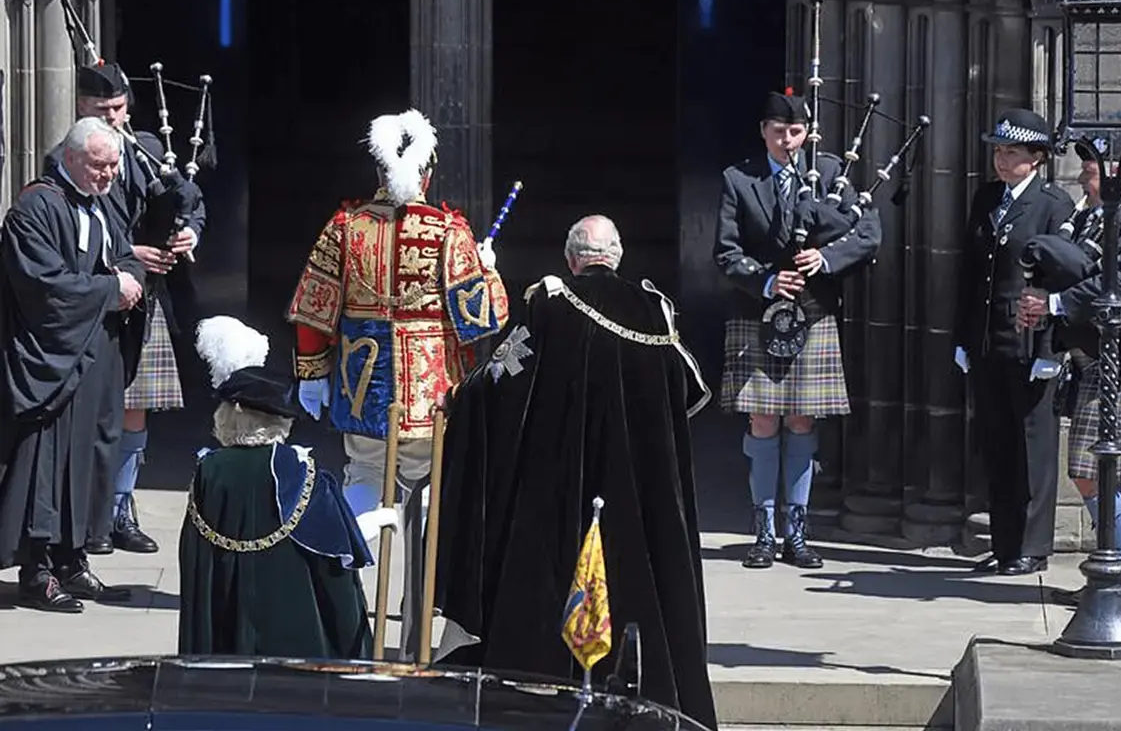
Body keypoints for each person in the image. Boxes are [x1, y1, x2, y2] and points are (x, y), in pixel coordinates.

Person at [434, 215, 717, 729]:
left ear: (571, 259)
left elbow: (502, 378)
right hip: (639, 497)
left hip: (561, 488)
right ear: (617, 256)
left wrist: (458, 396)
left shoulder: (551, 302)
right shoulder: (656, 310)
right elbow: (688, 390)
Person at [285, 108, 508, 653]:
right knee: (429, 502)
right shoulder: (448, 231)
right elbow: (482, 318)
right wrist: (488, 267)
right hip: (432, 395)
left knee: (363, 478)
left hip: (361, 387)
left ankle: (342, 604)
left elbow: (315, 306)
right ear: (427, 172)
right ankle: (417, 631)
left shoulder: (345, 226)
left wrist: (312, 373)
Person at [43, 60, 207, 556]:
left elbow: (191, 201)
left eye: (117, 107)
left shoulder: (150, 149)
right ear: (80, 107)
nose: (112, 117)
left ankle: (120, 507)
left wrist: (189, 230)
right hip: (99, 296)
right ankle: (88, 513)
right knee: (96, 410)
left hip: (148, 296)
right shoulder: (65, 159)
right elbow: (67, 229)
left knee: (136, 407)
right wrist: (128, 253)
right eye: (101, 108)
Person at [713, 89, 881, 570]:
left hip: (813, 310)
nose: (787, 140)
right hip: (757, 311)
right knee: (763, 421)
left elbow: (869, 234)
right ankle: (764, 533)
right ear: (763, 131)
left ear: (807, 133)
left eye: (796, 131)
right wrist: (767, 281)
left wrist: (825, 258)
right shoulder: (739, 179)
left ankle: (798, 533)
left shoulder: (831, 174)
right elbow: (725, 252)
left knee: (803, 422)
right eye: (778, 131)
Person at [179, 316, 398, 657]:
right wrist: (378, 519)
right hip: (297, 638)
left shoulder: (209, 472)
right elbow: (335, 552)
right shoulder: (302, 473)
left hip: (225, 637)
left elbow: (197, 558)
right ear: (282, 422)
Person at [0, 117, 145, 612]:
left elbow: (125, 255)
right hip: (55, 358)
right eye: (100, 166)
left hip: (97, 353)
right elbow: (43, 285)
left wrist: (129, 277)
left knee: (91, 455)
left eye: (113, 166)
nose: (108, 175)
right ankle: (37, 571)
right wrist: (110, 288)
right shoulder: (35, 207)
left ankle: (72, 560)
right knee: (47, 462)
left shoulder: (100, 203)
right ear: (71, 157)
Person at [1017, 147, 1121, 604]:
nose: (1081, 179)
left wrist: (1054, 304)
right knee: (1094, 471)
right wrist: (1036, 299)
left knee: (1092, 471)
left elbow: (1115, 285)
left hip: (1118, 360)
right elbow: (1064, 268)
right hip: (1087, 357)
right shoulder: (1085, 221)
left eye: (1091, 172)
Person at [953, 108, 1075, 576]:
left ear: (1037, 158)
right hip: (989, 341)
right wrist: (964, 338)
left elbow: (1057, 280)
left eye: (1013, 152)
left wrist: (1049, 351)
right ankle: (1005, 544)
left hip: (1029, 340)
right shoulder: (988, 197)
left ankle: (1033, 544)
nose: (1002, 160)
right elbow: (970, 274)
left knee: (1033, 447)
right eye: (999, 151)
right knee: (997, 444)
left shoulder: (1053, 204)